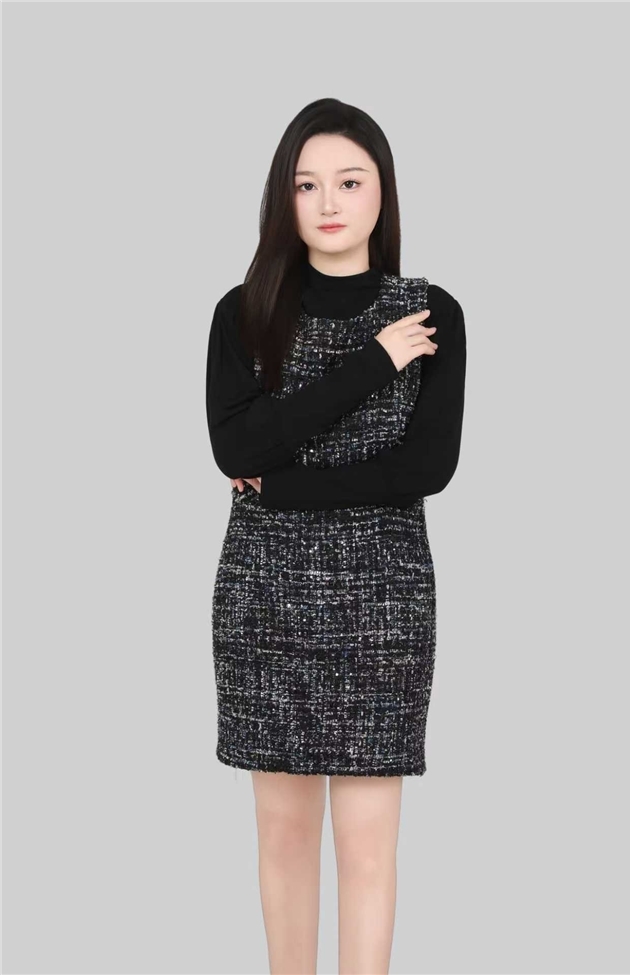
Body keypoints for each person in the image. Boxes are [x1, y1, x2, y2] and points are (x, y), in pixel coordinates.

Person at [205, 97, 467, 975]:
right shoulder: (244, 313)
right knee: (282, 841)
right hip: (265, 601)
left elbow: (423, 468)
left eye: (349, 182)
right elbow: (235, 448)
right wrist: (374, 362)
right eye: (306, 184)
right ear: (282, 197)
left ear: (382, 191)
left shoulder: (431, 313)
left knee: (368, 846)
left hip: (383, 605)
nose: (328, 202)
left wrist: (279, 488)